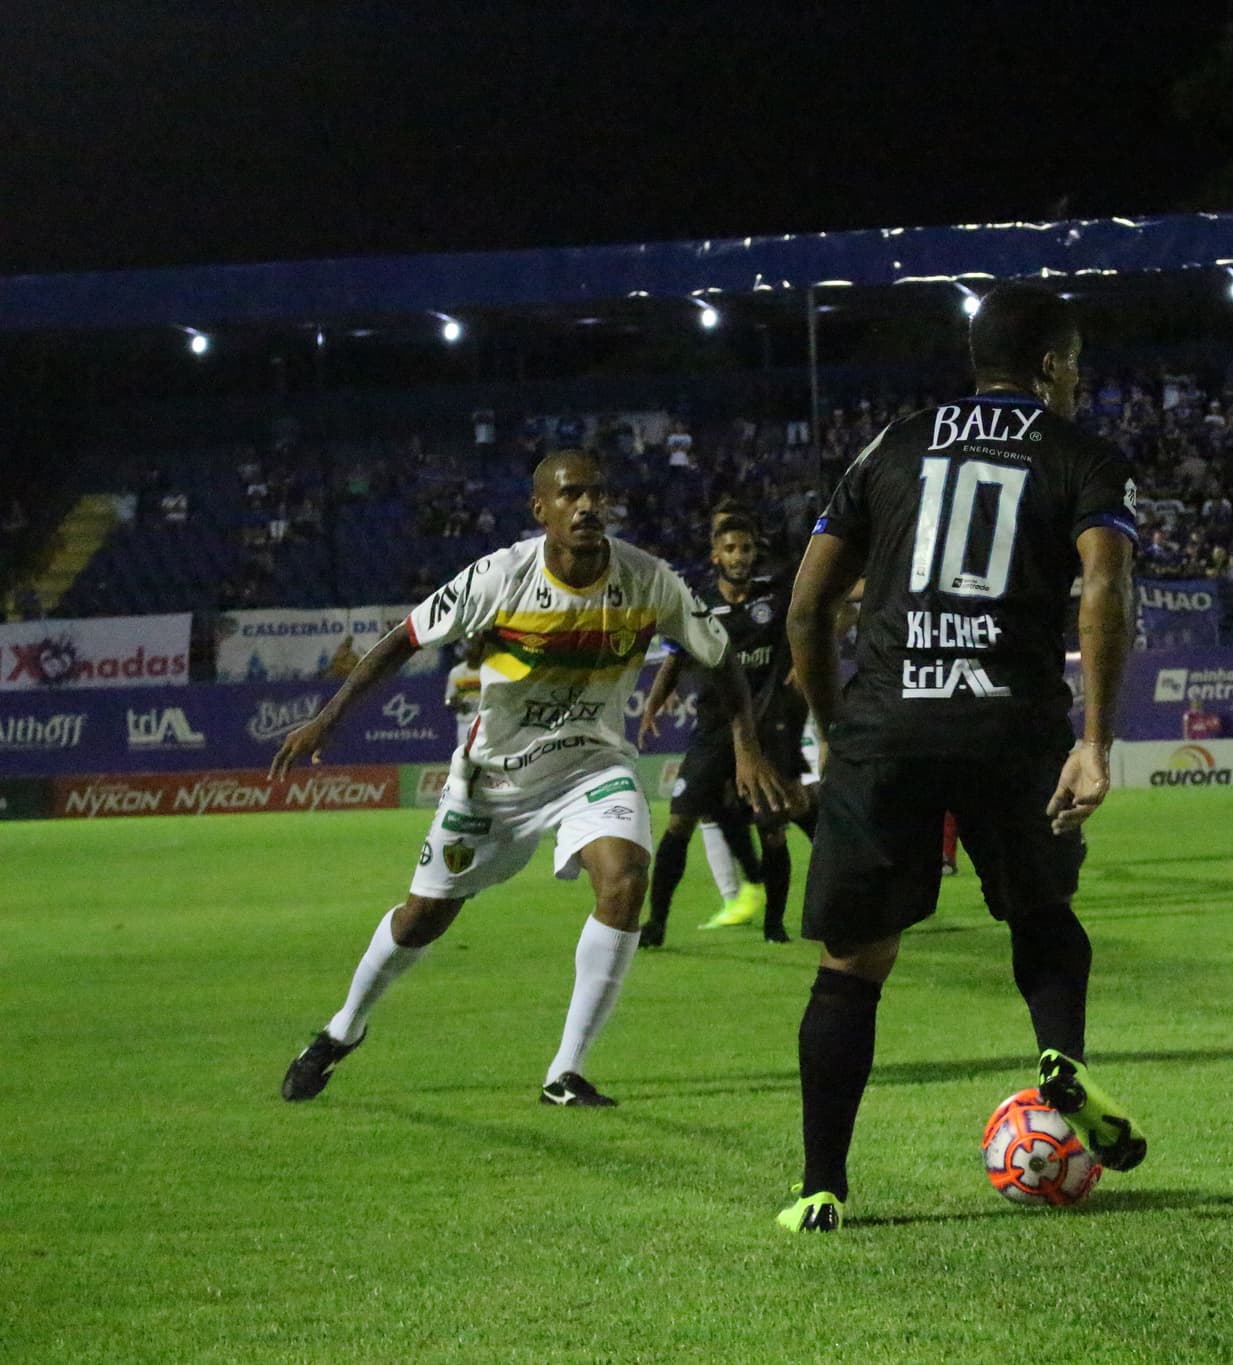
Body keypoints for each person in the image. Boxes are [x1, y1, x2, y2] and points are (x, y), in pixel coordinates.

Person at [777, 284, 1147, 1233]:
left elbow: (807, 610)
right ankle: (1059, 1056)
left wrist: (832, 727)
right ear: (1056, 367)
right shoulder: (1084, 454)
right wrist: (1095, 743)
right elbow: (1105, 587)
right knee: (1041, 907)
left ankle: (822, 1186)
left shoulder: (890, 442)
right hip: (1009, 723)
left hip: (888, 724)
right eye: (1078, 366)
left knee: (851, 961)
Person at [276, 451, 787, 1106]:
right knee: (422, 918)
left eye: (596, 494)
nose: (586, 506)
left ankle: (564, 1071)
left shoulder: (648, 580)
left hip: (592, 764)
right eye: (570, 494)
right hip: (496, 781)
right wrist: (329, 717)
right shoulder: (498, 577)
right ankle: (343, 1028)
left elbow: (719, 656)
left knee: (626, 879)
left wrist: (746, 745)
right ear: (540, 508)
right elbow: (404, 638)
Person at [638, 505, 815, 945]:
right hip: (714, 730)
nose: (739, 555)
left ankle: (775, 926)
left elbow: (809, 623)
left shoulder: (775, 596)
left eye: (747, 548)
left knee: (772, 830)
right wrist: (652, 706)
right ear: (715, 555)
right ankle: (656, 925)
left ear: (755, 554)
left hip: (765, 731)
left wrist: (801, 663)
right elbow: (676, 659)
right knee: (679, 822)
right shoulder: (698, 603)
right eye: (730, 548)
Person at [444, 634, 485, 728]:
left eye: (474, 644)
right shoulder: (456, 672)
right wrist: (457, 703)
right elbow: (448, 700)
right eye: (468, 644)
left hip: (485, 722)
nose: (471, 648)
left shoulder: (488, 671)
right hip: (465, 723)